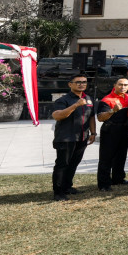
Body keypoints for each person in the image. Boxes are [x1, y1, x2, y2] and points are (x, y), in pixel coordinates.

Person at [51, 73, 97, 201]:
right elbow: (57, 115)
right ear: (70, 84)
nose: (82, 84)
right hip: (66, 138)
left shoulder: (88, 98)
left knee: (73, 164)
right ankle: (58, 192)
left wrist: (93, 133)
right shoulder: (63, 100)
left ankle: (67, 187)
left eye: (84, 82)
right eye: (78, 82)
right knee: (62, 164)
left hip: (82, 138)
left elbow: (91, 116)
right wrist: (76, 105)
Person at [95, 78, 128, 191]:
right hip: (110, 130)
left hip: (123, 130)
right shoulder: (107, 99)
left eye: (125, 85)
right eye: (120, 84)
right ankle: (103, 184)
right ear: (115, 85)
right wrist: (113, 110)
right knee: (106, 158)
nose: (123, 87)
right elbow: (100, 118)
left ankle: (118, 179)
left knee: (121, 156)